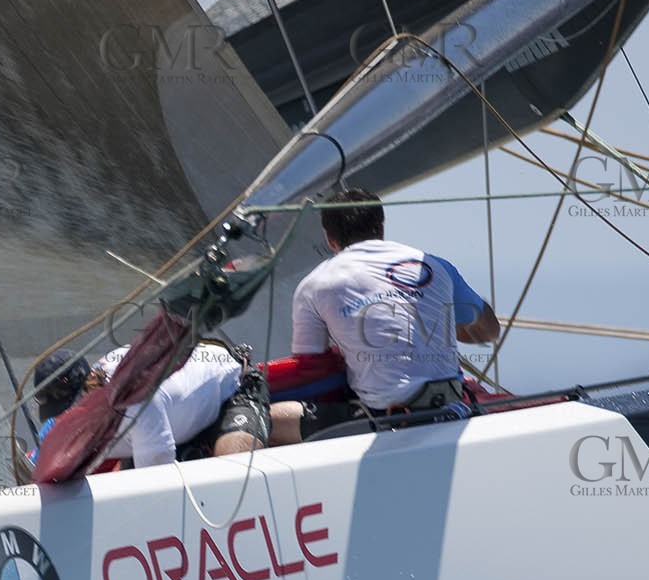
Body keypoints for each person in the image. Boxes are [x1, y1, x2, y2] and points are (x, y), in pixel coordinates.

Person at [270, 186, 500, 443]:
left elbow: (312, 370)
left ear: (329, 238)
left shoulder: (314, 284)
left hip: (385, 421)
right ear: (380, 227)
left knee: (267, 419)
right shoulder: (436, 265)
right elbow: (489, 332)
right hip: (452, 410)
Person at [83, 341, 271, 468]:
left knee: (233, 473)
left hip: (233, 386)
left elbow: (161, 485)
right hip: (178, 416)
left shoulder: (134, 401)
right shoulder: (91, 389)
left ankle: (265, 421)